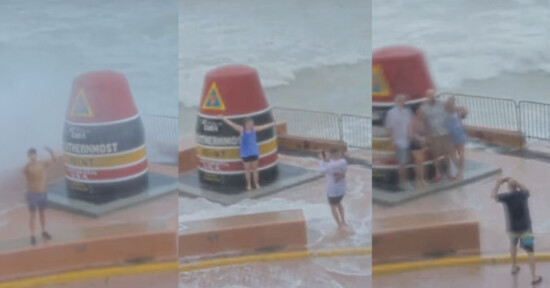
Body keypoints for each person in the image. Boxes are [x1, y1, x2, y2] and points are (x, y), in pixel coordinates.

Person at [492, 176, 542, 285]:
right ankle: (533, 276)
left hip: (512, 229)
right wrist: (518, 183)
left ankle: (514, 266)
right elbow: (527, 190)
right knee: (530, 251)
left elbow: (493, 196)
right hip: (526, 228)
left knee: (513, 244)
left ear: (509, 188)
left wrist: (498, 183)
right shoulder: (523, 194)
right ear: (517, 187)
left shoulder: (507, 197)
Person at [218, 115, 276, 190]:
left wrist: (273, 123)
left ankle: (256, 184)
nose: (251, 124)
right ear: (246, 124)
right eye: (250, 123)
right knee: (247, 170)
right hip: (245, 153)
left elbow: (263, 127)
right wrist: (223, 118)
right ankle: (249, 184)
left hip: (254, 151)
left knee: (255, 169)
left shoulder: (254, 129)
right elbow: (231, 124)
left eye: (252, 123)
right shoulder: (242, 130)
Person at [23, 147, 56, 245]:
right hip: (32, 194)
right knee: (32, 215)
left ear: (36, 155)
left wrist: (50, 151)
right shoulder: (27, 167)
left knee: (42, 213)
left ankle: (43, 231)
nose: (32, 156)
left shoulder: (42, 163)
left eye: (34, 154)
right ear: (28, 156)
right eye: (31, 154)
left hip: (42, 193)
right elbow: (24, 173)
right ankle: (32, 235)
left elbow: (54, 160)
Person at [419, 89, 452, 182]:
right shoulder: (424, 107)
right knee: (436, 156)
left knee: (447, 154)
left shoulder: (442, 104)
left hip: (444, 132)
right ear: (427, 97)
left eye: (433, 95)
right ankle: (438, 173)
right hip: (434, 134)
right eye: (430, 96)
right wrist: (427, 135)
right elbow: (423, 121)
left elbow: (450, 111)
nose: (432, 97)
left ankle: (449, 173)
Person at [385, 94, 414, 190]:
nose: (402, 102)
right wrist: (392, 140)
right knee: (402, 163)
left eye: (403, 100)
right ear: (396, 101)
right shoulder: (391, 113)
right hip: (399, 141)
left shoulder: (408, 112)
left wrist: (410, 135)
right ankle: (403, 182)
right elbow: (390, 128)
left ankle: (405, 181)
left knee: (406, 162)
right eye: (400, 100)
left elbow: (410, 124)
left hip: (407, 140)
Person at [319, 148, 348, 229]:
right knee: (339, 203)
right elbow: (332, 163)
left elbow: (322, 170)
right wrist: (327, 159)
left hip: (333, 190)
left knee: (333, 206)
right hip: (342, 189)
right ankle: (343, 221)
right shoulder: (343, 162)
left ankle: (339, 225)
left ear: (331, 155)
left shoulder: (330, 166)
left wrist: (322, 160)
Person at [445, 97, 467, 180]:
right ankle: (460, 170)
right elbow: (465, 112)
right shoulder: (456, 112)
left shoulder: (449, 113)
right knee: (458, 154)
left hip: (453, 135)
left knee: (456, 154)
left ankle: (460, 170)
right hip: (457, 134)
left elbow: (465, 112)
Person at [408, 108, 429, 188]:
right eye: (419, 113)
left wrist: (424, 140)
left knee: (421, 162)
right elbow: (410, 134)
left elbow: (426, 132)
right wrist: (419, 138)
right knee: (418, 161)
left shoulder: (423, 122)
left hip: (421, 143)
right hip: (414, 143)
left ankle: (422, 179)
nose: (420, 115)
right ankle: (417, 179)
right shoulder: (412, 122)